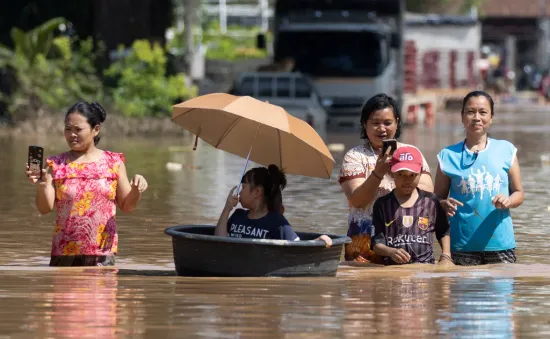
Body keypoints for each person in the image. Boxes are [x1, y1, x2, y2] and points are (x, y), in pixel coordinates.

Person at [25, 101, 148, 267]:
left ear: (95, 129)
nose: (72, 134)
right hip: (64, 252)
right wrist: (42, 186)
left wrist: (136, 190)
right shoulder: (56, 164)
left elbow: (127, 206)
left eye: (78, 129)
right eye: (68, 129)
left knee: (102, 293)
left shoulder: (114, 162)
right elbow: (44, 208)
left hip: (102, 253)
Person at [338, 93, 434, 263]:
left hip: (406, 237)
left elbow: (427, 195)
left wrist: (399, 174)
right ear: (364, 124)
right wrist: (378, 172)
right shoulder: (354, 156)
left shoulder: (411, 153)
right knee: (362, 286)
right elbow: (358, 201)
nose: (382, 129)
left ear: (397, 122)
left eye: (387, 123)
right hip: (364, 239)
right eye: (375, 123)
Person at [434, 91, 524, 265]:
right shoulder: (447, 156)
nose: (476, 117)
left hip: (501, 245)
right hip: (461, 247)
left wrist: (508, 201)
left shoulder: (506, 150)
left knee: (502, 290)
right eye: (470, 112)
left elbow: (519, 193)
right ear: (462, 116)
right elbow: (436, 198)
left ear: (491, 118)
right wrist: (443, 205)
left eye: (483, 112)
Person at [372, 146, 453, 265]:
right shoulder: (382, 204)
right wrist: (391, 252)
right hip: (394, 269)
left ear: (420, 173)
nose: (407, 180)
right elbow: (376, 244)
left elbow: (444, 231)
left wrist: (446, 255)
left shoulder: (431, 201)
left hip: (425, 268)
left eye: (412, 175)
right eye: (401, 174)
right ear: (391, 173)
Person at [215, 164, 332, 246]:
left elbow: (297, 248)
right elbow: (219, 243)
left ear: (257, 192)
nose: (239, 192)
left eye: (244, 187)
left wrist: (318, 241)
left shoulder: (277, 223)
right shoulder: (237, 216)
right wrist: (226, 209)